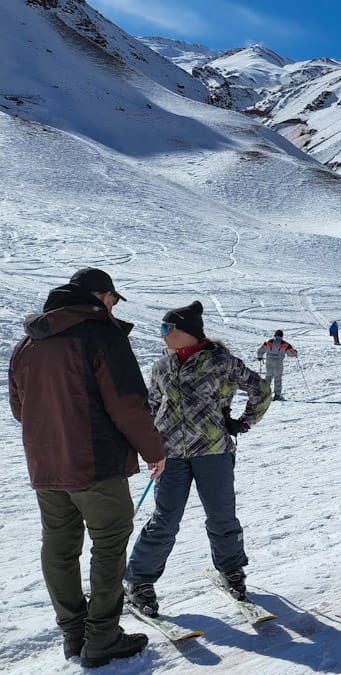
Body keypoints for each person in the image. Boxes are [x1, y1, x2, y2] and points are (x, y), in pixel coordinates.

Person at [8, 268, 165, 667]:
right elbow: (128, 402)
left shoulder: (29, 344)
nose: (114, 305)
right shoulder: (101, 335)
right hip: (95, 464)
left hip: (46, 465)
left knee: (59, 547)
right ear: (98, 296)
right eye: (113, 298)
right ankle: (103, 637)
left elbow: (18, 409)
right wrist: (154, 451)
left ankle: (74, 635)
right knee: (109, 543)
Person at [125, 301, 272, 614]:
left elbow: (261, 390)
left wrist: (243, 421)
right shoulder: (162, 366)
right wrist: (152, 445)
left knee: (222, 516)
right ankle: (138, 581)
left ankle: (231, 570)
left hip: (213, 451)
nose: (162, 334)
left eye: (167, 328)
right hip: (170, 455)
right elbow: (152, 406)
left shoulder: (221, 362)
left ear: (186, 331)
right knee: (165, 520)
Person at [256, 330, 297, 401]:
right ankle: (277, 396)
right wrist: (295, 353)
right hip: (278, 363)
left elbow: (260, 350)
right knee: (277, 379)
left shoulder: (269, 342)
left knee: (268, 377)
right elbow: (291, 353)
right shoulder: (285, 344)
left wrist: (260, 356)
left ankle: (265, 394)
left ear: (275, 335)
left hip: (269, 362)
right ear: (282, 336)